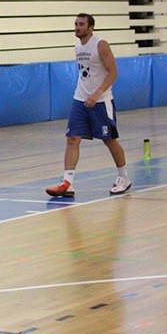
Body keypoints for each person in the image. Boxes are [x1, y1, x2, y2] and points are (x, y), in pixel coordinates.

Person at [46, 13, 132, 198]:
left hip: (100, 101)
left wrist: (96, 94)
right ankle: (67, 182)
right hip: (80, 99)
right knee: (72, 138)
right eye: (76, 24)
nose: (77, 27)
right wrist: (85, 95)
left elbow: (113, 73)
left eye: (81, 24)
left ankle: (124, 177)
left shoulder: (100, 44)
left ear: (91, 27)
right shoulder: (78, 46)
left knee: (109, 139)